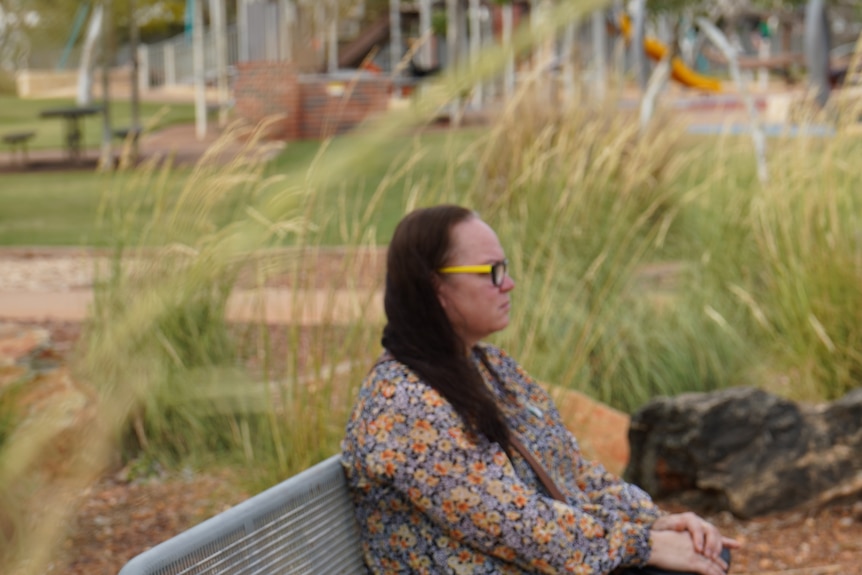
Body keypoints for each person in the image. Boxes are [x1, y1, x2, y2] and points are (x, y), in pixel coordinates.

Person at [341, 205, 740, 574]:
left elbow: (573, 474)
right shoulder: (404, 406)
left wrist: (654, 521)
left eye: (506, 268)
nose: (509, 284)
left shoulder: (492, 369)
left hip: (550, 562)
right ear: (436, 288)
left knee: (704, 556)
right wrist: (642, 544)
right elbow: (513, 525)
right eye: (491, 271)